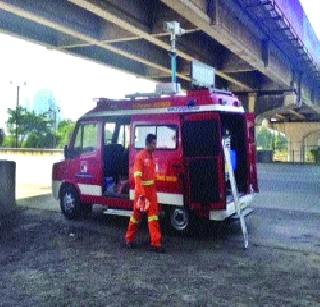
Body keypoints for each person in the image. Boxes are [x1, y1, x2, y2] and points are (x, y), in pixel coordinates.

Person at [124, 134, 164, 253]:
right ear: (147, 143)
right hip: (142, 193)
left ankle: (156, 243)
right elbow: (137, 177)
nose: (155, 146)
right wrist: (141, 195)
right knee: (136, 217)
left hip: (151, 192)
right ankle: (129, 239)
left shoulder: (151, 156)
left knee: (153, 217)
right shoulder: (140, 157)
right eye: (153, 144)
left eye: (155, 143)